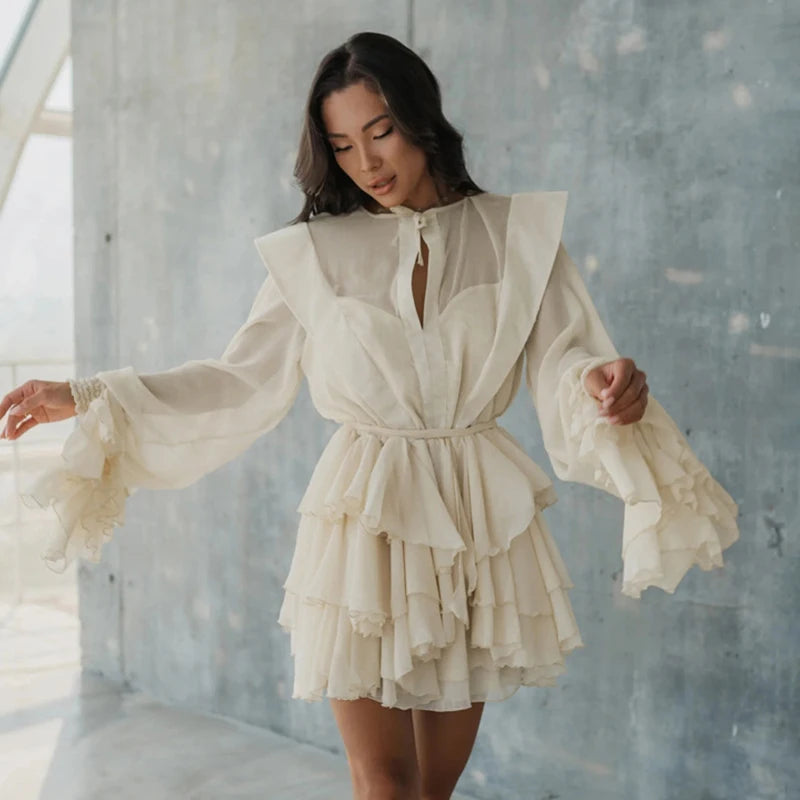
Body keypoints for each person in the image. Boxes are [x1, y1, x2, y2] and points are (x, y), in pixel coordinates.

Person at [0, 31, 739, 800]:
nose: (367, 163)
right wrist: (88, 396)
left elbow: (565, 361)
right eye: (343, 145)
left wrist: (605, 382)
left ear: (421, 116)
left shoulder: (518, 236)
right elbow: (236, 379)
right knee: (381, 783)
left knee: (431, 789)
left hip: (474, 523)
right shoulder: (315, 253)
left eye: (380, 132)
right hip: (362, 524)